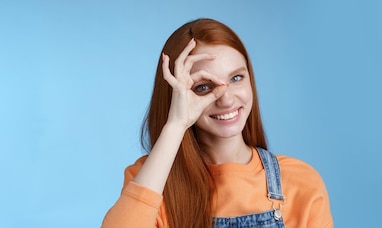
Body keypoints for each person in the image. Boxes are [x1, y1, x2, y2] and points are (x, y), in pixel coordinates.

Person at [102, 18, 333, 228]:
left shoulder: (301, 183)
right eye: (203, 86)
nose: (226, 99)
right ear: (177, 96)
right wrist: (176, 124)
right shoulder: (150, 181)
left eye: (236, 78)